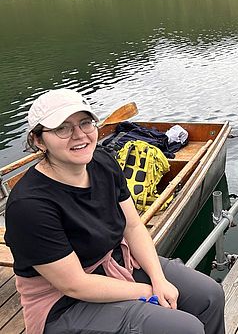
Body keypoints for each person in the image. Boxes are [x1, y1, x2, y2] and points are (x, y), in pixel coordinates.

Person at [5, 88, 225, 334]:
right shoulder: (29, 206)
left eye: (85, 123)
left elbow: (133, 226)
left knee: (209, 296)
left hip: (117, 262)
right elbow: (75, 285)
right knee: (185, 329)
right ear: (38, 140)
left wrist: (159, 279)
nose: (79, 135)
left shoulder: (103, 162)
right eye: (62, 128)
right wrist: (148, 291)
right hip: (64, 303)